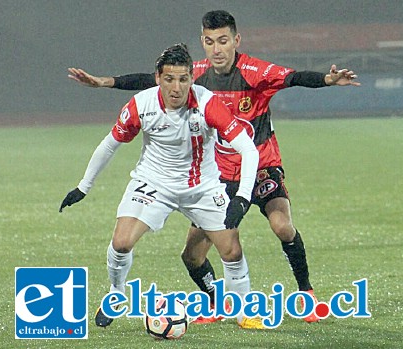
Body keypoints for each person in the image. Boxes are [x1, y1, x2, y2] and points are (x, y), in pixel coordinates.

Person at [68, 10, 360, 324]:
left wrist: (328, 80)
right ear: (203, 44)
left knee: (281, 227)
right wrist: (106, 83)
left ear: (236, 40)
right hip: (218, 174)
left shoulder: (253, 72)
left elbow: (294, 78)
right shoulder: (194, 75)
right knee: (192, 255)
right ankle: (217, 304)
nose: (216, 49)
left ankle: (305, 292)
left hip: (260, 166)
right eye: (209, 42)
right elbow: (150, 80)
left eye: (223, 41)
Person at [60, 43, 266, 330]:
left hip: (202, 187)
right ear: (157, 78)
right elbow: (110, 145)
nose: (177, 87)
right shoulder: (141, 105)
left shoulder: (207, 103)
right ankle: (116, 294)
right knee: (121, 243)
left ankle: (243, 313)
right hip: (153, 183)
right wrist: (84, 186)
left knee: (231, 250)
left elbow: (248, 149)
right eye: (169, 79)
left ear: (192, 79)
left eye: (183, 79)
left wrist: (242, 198)